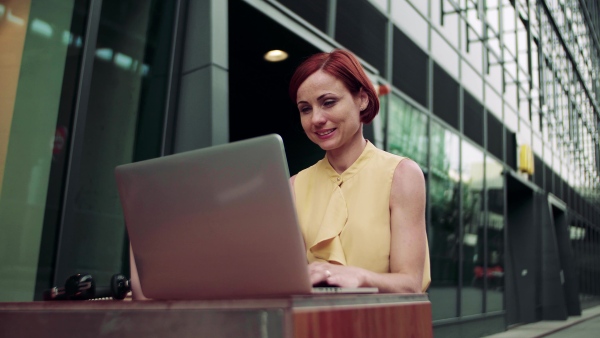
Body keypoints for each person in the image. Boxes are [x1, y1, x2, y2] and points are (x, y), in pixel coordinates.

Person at [289, 49, 430, 293]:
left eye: (328, 102)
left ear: (362, 99)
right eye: (306, 109)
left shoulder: (401, 175)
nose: (316, 119)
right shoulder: (294, 186)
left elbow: (410, 284)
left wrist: (361, 277)